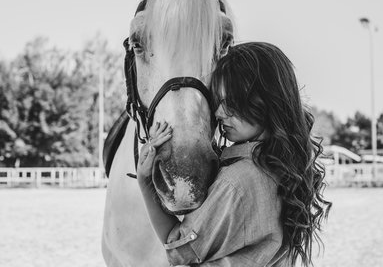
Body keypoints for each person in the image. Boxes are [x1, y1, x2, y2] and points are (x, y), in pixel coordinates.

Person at [137, 42, 332, 266]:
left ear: (266, 101)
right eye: (218, 102)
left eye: (230, 102)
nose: (219, 113)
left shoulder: (237, 182)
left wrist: (145, 181)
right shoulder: (283, 168)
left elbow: (178, 249)